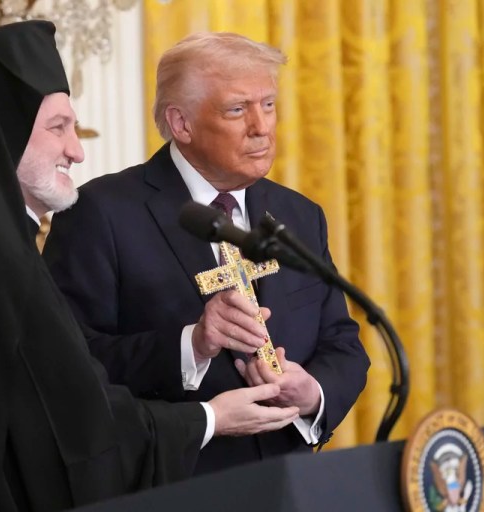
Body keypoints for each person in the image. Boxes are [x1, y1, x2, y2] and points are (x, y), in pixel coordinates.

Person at [0, 22, 301, 511]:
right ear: (1, 133)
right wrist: (210, 418)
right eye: (58, 128)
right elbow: (78, 432)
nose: (77, 150)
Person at [43, 31, 371, 476]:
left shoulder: (298, 214)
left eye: (268, 104)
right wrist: (191, 345)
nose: (262, 126)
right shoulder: (100, 214)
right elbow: (69, 367)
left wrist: (313, 392)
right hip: (172, 485)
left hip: (290, 480)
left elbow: (341, 341)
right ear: (182, 124)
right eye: (238, 109)